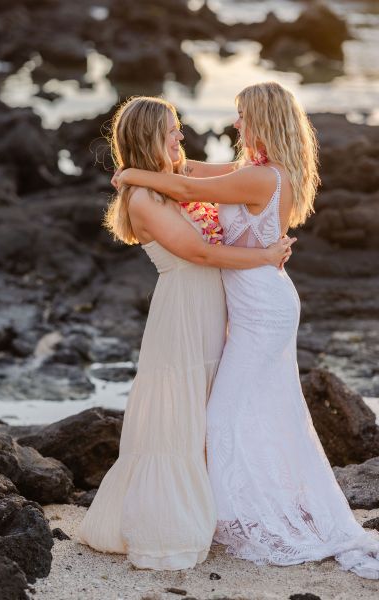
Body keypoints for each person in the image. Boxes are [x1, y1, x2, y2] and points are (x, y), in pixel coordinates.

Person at [117, 82, 379, 578]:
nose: (235, 124)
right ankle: (252, 505)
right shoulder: (254, 173)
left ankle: (242, 517)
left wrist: (130, 171)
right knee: (262, 410)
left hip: (262, 307)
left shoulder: (261, 178)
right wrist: (151, 164)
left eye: (242, 116)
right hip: (255, 303)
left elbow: (192, 190)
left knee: (223, 418)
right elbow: (190, 171)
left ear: (262, 119)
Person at [76, 95, 294, 570]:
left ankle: (207, 510)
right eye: (172, 130)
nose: (180, 136)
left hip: (209, 307)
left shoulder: (167, 185)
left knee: (202, 411)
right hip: (182, 311)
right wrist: (264, 256)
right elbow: (199, 253)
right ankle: (164, 526)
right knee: (177, 417)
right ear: (150, 136)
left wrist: (137, 170)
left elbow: (215, 175)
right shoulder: (142, 199)